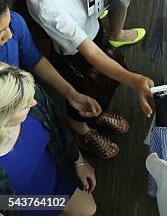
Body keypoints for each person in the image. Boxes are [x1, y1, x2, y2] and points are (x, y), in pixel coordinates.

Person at [21, 0, 155, 159]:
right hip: (77, 57)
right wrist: (134, 80)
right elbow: (91, 54)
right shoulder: (45, 4)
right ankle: (81, 129)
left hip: (91, 31)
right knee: (83, 93)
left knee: (99, 89)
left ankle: (96, 112)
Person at [0, 63, 97, 216]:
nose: (34, 102)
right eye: (25, 105)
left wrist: (79, 162)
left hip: (56, 171)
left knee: (89, 209)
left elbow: (59, 127)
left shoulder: (32, 94)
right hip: (18, 204)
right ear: (5, 115)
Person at [0, 0, 102, 120]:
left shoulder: (15, 23)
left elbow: (35, 60)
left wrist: (71, 94)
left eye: (7, 25)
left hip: (22, 97)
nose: (9, 34)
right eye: (1, 30)